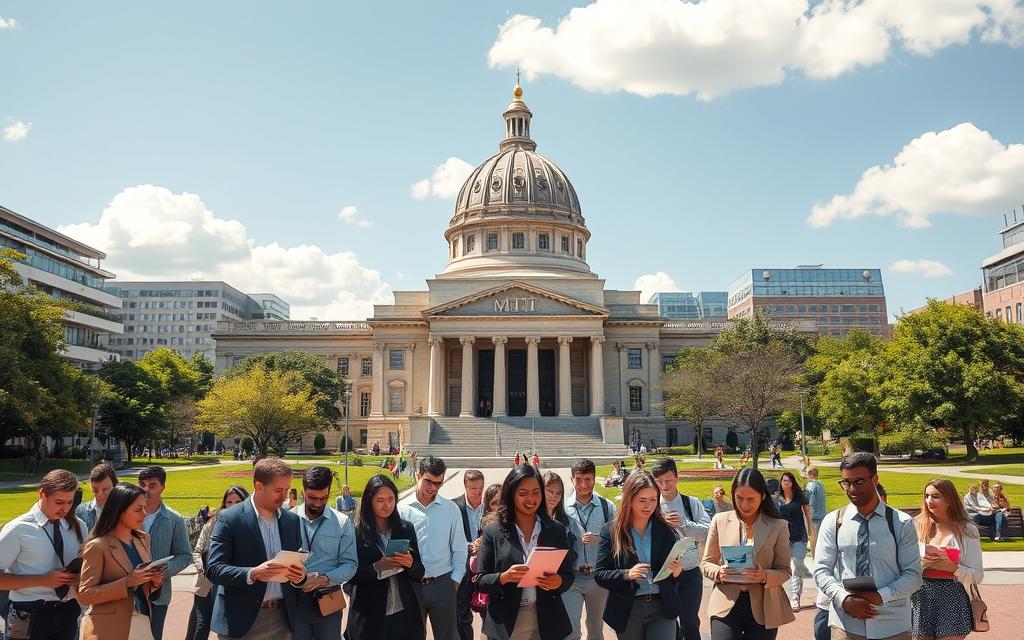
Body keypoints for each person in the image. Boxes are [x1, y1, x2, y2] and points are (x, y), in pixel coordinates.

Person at [814, 453, 922, 640]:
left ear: (875, 479)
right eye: (846, 482)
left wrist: (880, 596)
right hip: (846, 625)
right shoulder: (833, 521)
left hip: (892, 626)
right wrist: (844, 598)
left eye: (859, 482)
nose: (851, 489)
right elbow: (821, 571)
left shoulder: (901, 523)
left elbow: (913, 575)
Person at [206, 458, 308, 639]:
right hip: (241, 619)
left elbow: (295, 564)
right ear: (259, 486)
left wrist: (300, 577)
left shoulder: (292, 521)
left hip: (282, 618)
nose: (284, 496)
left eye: (287, 489)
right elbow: (214, 569)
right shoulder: (229, 519)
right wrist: (252, 573)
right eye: (278, 490)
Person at [475, 464, 574, 640]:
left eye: (536, 492)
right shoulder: (493, 531)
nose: (531, 499)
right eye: (523, 493)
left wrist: (558, 581)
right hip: (507, 621)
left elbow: (568, 576)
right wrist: (503, 577)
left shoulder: (556, 530)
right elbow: (481, 580)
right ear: (511, 494)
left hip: (546, 620)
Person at [701, 468, 794, 640]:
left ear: (763, 497)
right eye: (739, 498)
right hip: (725, 603)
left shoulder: (778, 526)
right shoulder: (720, 520)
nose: (744, 505)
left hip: (764, 605)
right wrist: (719, 572)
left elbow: (785, 571)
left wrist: (764, 575)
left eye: (751, 499)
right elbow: (706, 563)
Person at [595, 470, 683, 640]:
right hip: (628, 609)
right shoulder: (610, 532)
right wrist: (627, 574)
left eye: (653, 500)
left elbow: (675, 575)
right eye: (642, 500)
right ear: (629, 500)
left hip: (662, 607)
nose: (648, 506)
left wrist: (677, 570)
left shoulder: (665, 530)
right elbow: (600, 574)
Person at [0, 469, 85, 640]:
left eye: (69, 502)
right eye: (59, 502)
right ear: (42, 494)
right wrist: (42, 580)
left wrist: (79, 579)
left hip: (67, 612)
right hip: (27, 614)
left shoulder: (79, 527)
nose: (65, 509)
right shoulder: (18, 529)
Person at [77, 482, 167, 640]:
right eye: (138, 509)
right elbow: (85, 595)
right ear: (120, 512)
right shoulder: (98, 546)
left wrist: (154, 582)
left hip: (142, 622)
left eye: (144, 507)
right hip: (107, 628)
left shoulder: (142, 539)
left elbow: (140, 589)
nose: (144, 513)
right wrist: (127, 582)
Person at [347, 474, 425, 640]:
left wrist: (411, 564)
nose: (387, 505)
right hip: (370, 615)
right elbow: (349, 576)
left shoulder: (406, 528)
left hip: (404, 613)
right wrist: (376, 568)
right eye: (380, 500)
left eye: (391, 499)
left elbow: (420, 571)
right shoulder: (356, 533)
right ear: (369, 501)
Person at [397, 456, 468, 640]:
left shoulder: (451, 509)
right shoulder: (401, 509)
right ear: (418, 475)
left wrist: (455, 582)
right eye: (429, 481)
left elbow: (460, 549)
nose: (433, 488)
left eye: (438, 483)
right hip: (410, 585)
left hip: (443, 585)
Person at [290, 466, 358, 640]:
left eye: (324, 498)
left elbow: (350, 564)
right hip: (294, 599)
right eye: (312, 498)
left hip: (329, 597)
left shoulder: (342, 523)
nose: (318, 503)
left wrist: (324, 579)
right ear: (303, 491)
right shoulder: (288, 519)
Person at [911, 479, 983, 640]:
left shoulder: (967, 530)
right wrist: (924, 562)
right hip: (920, 596)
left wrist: (952, 568)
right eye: (927, 496)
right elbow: (903, 564)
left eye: (936, 496)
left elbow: (977, 575)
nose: (929, 500)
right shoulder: (917, 525)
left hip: (952, 597)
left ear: (950, 500)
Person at [651, 458, 711, 640]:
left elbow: (708, 532)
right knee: (669, 625)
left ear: (677, 477)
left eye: (668, 480)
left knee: (690, 623)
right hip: (664, 574)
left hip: (690, 572)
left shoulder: (690, 503)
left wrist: (684, 523)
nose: (664, 485)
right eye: (659, 481)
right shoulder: (651, 504)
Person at [135, 466, 191, 640]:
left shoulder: (174, 519)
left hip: (159, 594)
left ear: (163, 487)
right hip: (130, 591)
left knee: (153, 636)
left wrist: (163, 570)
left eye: (152, 485)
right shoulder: (126, 515)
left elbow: (185, 555)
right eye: (142, 484)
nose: (146, 490)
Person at [187, 485, 248, 640]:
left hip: (233, 584)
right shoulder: (214, 522)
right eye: (229, 502)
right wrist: (207, 572)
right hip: (207, 582)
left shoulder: (250, 525)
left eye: (238, 501)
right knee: (202, 623)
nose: (233, 506)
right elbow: (197, 551)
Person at [564, 458, 617, 640]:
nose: (583, 484)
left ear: (594, 479)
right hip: (572, 577)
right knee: (571, 631)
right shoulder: (563, 508)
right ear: (572, 479)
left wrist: (601, 539)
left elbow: (619, 539)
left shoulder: (606, 506)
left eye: (588, 479)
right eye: (578, 479)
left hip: (598, 577)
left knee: (595, 631)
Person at [453, 470, 486, 640]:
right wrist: (468, 546)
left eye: (480, 488)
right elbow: (448, 539)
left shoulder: (490, 507)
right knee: (462, 616)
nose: (477, 492)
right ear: (465, 485)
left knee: (489, 614)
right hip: (463, 571)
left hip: (485, 571)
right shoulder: (453, 507)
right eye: (473, 488)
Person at [776, 472, 813, 612]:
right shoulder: (778, 499)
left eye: (788, 481)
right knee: (784, 568)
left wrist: (810, 529)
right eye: (783, 480)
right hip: (783, 537)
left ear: (792, 483)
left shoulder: (799, 497)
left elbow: (808, 515)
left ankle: (795, 597)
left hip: (799, 536)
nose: (785, 483)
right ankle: (778, 597)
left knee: (796, 565)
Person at [77, 463, 118, 532]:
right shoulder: (80, 512)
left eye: (105, 490)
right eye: (95, 490)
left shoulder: (127, 510)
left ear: (116, 486)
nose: (99, 495)